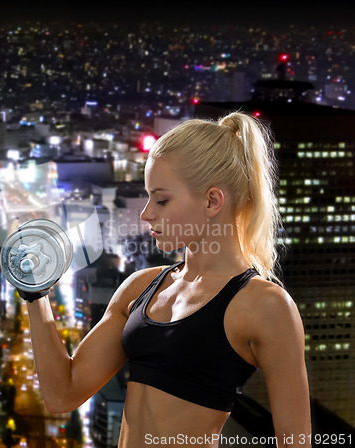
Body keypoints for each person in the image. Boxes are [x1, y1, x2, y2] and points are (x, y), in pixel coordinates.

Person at [22, 111, 311, 447]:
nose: (146, 213)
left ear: (212, 200)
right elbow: (62, 394)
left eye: (161, 199)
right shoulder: (139, 287)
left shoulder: (265, 306)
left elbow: (296, 442)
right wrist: (35, 293)